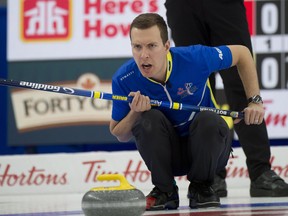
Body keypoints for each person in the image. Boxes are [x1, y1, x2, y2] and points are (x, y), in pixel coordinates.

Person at [109, 13, 265, 210]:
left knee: (209, 119)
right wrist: (135, 112)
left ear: (166, 47)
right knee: (148, 119)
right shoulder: (124, 79)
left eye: (152, 46)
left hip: (208, 151)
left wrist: (255, 101)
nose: (144, 55)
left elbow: (242, 53)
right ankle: (165, 190)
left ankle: (201, 187)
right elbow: (119, 134)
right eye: (137, 47)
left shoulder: (194, 58)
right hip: (168, 155)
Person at [165, 0, 288, 198]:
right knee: (196, 87)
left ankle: (261, 172)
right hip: (182, 5)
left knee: (240, 81)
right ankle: (209, 174)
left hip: (224, 4)